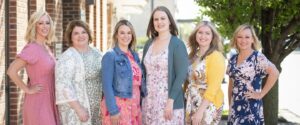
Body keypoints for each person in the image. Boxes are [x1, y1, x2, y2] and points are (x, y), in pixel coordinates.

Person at [7, 10, 59, 125]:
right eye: (40, 23)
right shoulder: (32, 48)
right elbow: (11, 71)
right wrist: (27, 89)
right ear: (34, 26)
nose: (44, 26)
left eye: (47, 23)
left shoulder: (46, 48)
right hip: (38, 100)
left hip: (49, 99)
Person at [141, 6, 189, 124]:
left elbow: (181, 75)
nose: (159, 22)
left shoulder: (177, 44)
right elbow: (144, 72)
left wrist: (170, 101)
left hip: (168, 102)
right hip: (149, 101)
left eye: (163, 18)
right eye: (156, 19)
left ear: (169, 21)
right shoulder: (149, 44)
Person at [227, 24, 279, 125]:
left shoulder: (257, 57)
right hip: (235, 108)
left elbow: (275, 73)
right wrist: (230, 106)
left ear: (252, 40)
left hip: (250, 109)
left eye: (247, 37)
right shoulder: (232, 59)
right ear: (236, 39)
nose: (243, 40)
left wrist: (260, 94)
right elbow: (231, 85)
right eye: (240, 37)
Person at [55, 20, 103, 125]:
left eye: (83, 32)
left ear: (88, 34)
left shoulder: (98, 53)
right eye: (76, 33)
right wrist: (79, 109)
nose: (80, 36)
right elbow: (64, 85)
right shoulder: (67, 57)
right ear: (70, 37)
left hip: (98, 109)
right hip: (78, 111)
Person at [101, 19, 147, 125]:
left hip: (135, 106)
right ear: (116, 35)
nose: (126, 36)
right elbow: (106, 86)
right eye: (122, 33)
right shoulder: (110, 56)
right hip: (119, 106)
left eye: (129, 33)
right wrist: (113, 110)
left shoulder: (135, 56)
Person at [185, 21, 225, 125]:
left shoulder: (216, 56)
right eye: (200, 32)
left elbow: (213, 87)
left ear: (213, 37)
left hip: (208, 105)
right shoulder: (194, 55)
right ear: (195, 35)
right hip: (193, 102)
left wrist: (200, 111)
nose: (203, 36)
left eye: (207, 33)